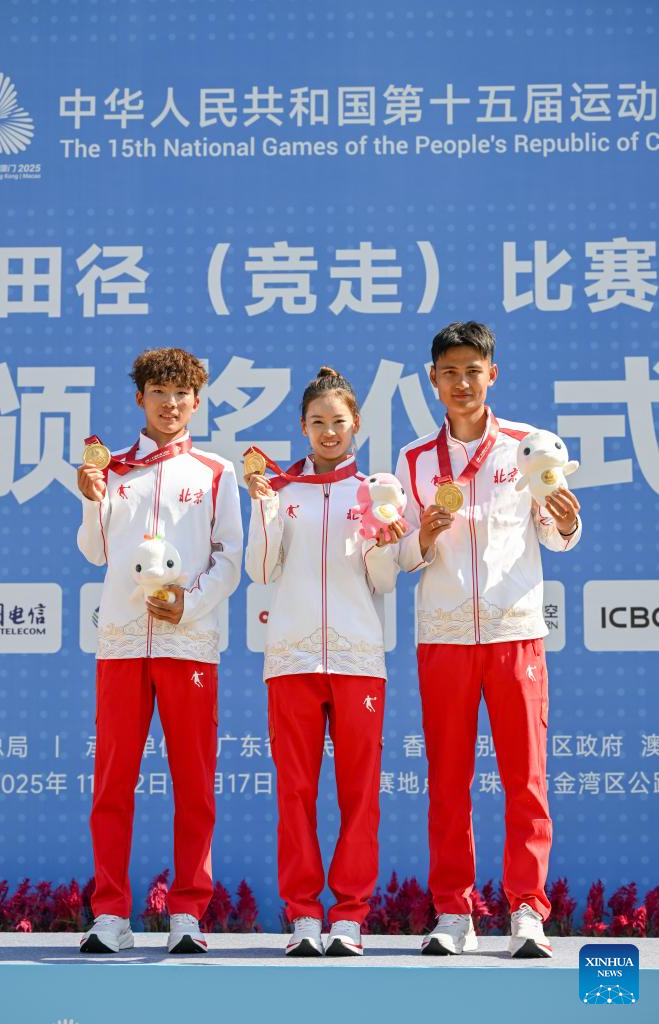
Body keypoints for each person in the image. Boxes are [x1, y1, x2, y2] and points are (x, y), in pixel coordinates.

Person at [394, 322, 581, 959]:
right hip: (444, 637)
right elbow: (401, 553)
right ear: (433, 379)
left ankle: (527, 910)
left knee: (526, 779)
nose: (462, 383)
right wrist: (422, 537)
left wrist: (565, 521)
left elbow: (554, 536)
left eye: (472, 371)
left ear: (491, 375)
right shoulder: (414, 459)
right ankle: (454, 911)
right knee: (448, 782)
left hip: (514, 634)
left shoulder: (529, 447)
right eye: (449, 372)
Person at [76, 347, 242, 955]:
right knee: (111, 784)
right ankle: (110, 914)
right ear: (139, 398)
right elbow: (95, 552)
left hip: (188, 644)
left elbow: (230, 559)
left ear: (196, 401)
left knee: (194, 785)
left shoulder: (216, 471)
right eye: (158, 393)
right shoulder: (112, 469)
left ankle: (188, 913)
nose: (169, 405)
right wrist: (91, 497)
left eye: (180, 395)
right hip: (122, 643)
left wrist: (189, 604)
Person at [245, 367, 403, 957]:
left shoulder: (377, 490)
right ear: (303, 427)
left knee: (360, 794)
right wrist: (264, 509)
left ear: (356, 423)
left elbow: (383, 580)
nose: (329, 431)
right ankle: (304, 915)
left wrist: (385, 540)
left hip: (359, 660)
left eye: (338, 421)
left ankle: (351, 916)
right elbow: (260, 570)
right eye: (317, 422)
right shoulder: (281, 491)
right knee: (295, 792)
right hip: (292, 659)